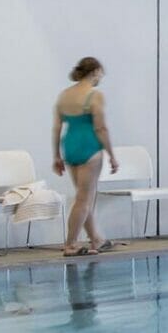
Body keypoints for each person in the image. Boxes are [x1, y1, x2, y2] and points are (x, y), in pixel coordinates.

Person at [50, 57, 119, 257]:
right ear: (95, 71)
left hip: (70, 146)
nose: (100, 78)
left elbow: (56, 127)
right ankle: (70, 244)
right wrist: (112, 155)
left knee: (84, 197)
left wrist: (56, 155)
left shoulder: (64, 95)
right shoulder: (94, 95)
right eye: (100, 74)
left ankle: (96, 239)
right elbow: (101, 127)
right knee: (84, 199)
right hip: (89, 146)